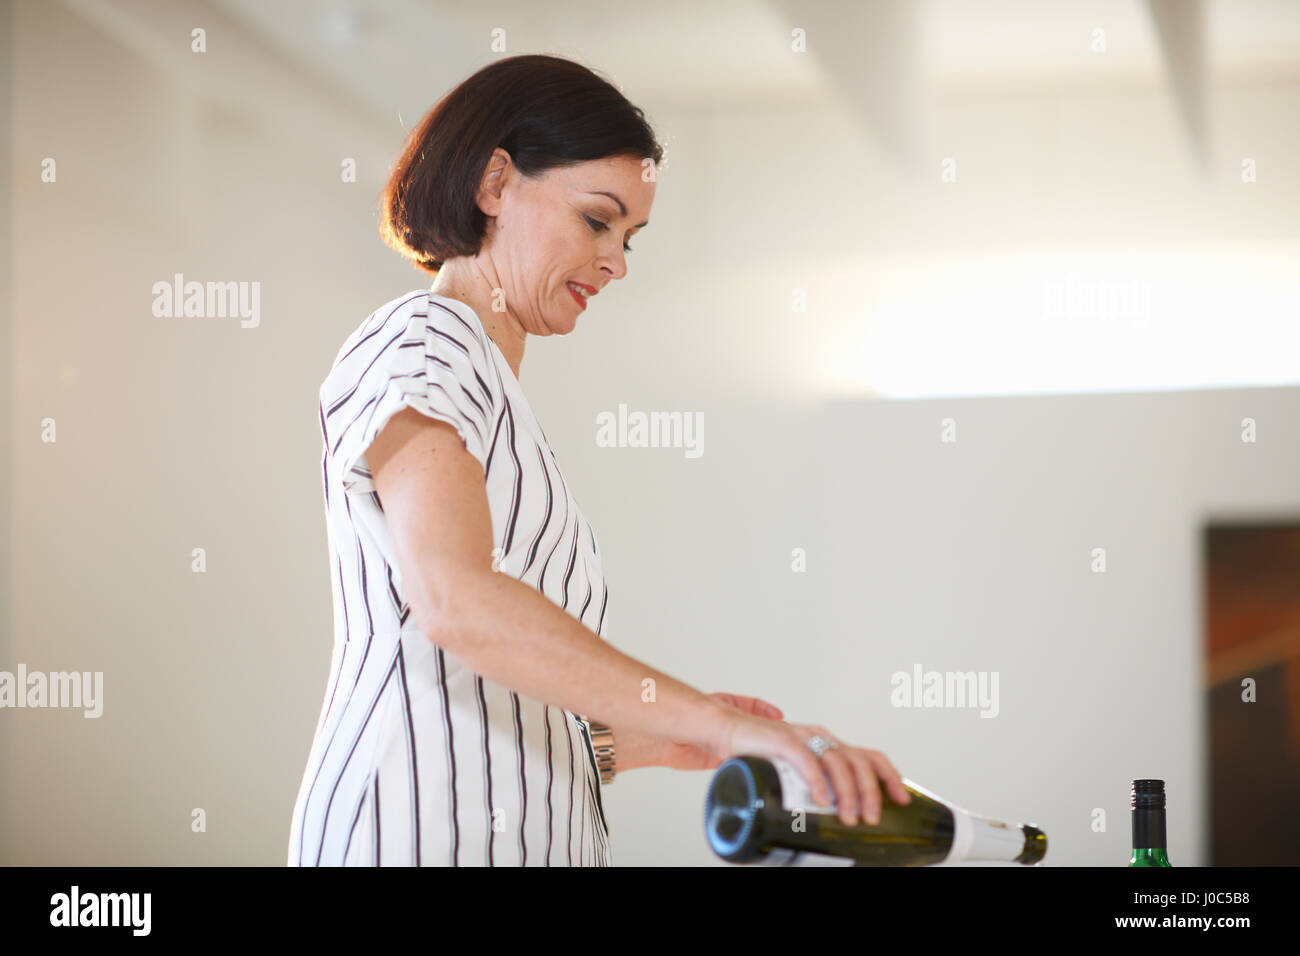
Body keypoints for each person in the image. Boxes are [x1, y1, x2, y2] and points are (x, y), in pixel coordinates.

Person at [288, 53, 909, 867]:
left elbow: (484, 696)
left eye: (629, 237)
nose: (617, 261)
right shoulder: (423, 341)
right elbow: (455, 602)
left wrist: (655, 739)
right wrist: (724, 724)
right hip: (410, 835)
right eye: (596, 220)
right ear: (494, 185)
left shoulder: (494, 395)